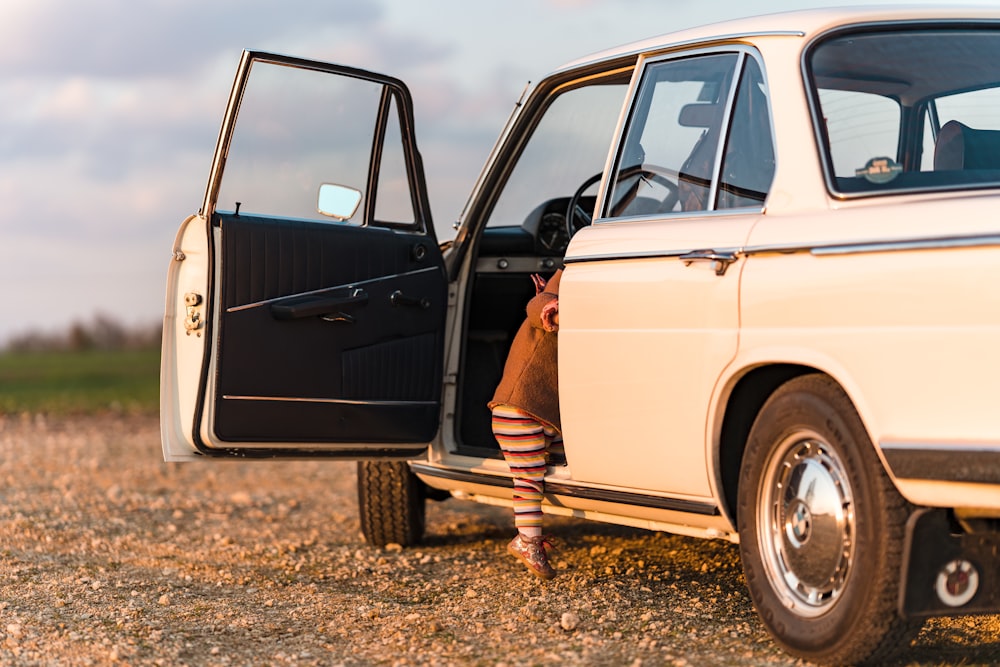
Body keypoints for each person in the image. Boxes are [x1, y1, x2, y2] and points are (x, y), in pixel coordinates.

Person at [488, 269, 563, 580]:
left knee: (563, 455)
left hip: (540, 413)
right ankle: (527, 541)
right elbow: (539, 307)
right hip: (518, 410)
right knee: (529, 479)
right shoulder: (547, 302)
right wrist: (555, 313)